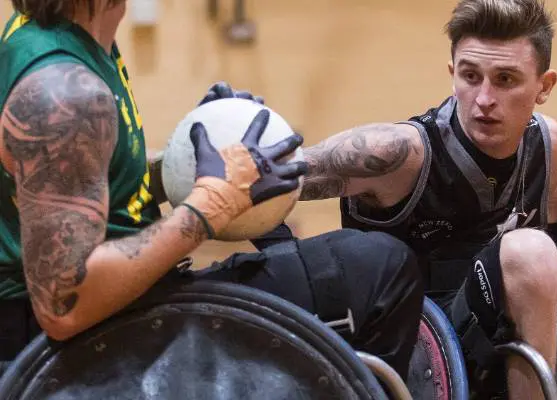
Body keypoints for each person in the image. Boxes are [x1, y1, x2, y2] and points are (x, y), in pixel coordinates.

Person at [0, 0, 424, 385]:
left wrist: (188, 159)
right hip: (73, 340)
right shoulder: (64, 91)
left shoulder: (66, 33)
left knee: (363, 261)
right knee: (382, 271)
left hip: (116, 305)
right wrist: (212, 204)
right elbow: (63, 306)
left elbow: (93, 186)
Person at [298, 0, 557, 398]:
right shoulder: (397, 153)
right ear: (452, 72)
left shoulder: (547, 143)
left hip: (520, 319)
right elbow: (277, 178)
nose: (484, 98)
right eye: (471, 76)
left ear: (544, 86)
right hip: (423, 339)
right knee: (529, 251)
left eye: (505, 79)